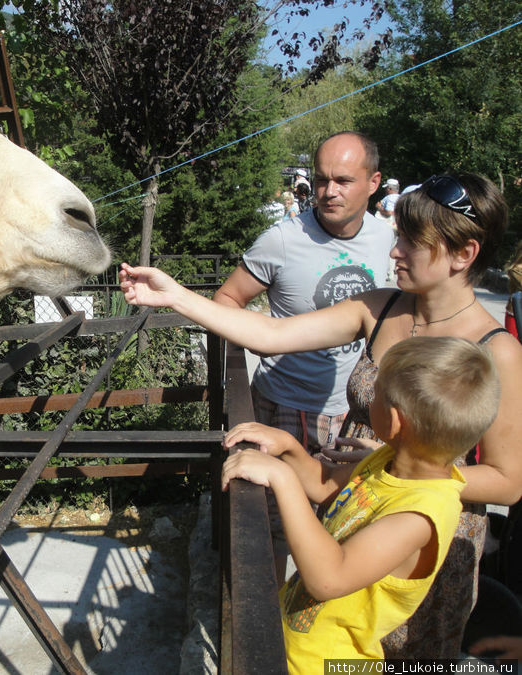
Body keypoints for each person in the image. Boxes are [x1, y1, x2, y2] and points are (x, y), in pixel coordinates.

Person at [120, 171, 522, 658]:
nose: (395, 252)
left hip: (419, 542)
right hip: (353, 501)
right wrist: (177, 296)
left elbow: (507, 480)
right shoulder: (381, 305)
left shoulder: (496, 351)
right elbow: (270, 336)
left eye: (412, 242)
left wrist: (400, 461)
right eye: (398, 238)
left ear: (464, 254)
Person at [221, 336, 500, 672]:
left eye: (376, 395)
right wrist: (289, 448)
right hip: (297, 649)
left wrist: (282, 479)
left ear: (395, 421)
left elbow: (328, 578)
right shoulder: (392, 460)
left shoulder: (420, 515)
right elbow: (326, 485)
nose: (370, 401)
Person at [212, 131, 393, 582]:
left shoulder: (391, 242)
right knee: (270, 530)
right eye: (321, 179)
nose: (329, 192)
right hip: (281, 407)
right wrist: (267, 339)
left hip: (355, 416)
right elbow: (227, 299)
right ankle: (267, 635)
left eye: (343, 181)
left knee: (344, 529)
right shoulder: (283, 239)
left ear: (374, 182)